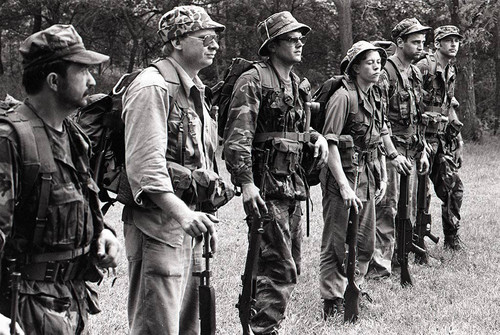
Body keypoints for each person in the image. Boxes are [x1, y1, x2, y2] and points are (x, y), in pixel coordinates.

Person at [0, 24, 120, 334]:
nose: (92, 80)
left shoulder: (74, 135)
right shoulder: (10, 139)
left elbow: (77, 198)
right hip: (24, 307)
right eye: (82, 71)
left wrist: (101, 232)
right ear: (54, 80)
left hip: (70, 301)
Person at [121, 5, 226, 335]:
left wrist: (201, 211)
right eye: (205, 37)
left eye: (215, 38)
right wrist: (183, 215)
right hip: (158, 226)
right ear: (178, 41)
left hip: (187, 224)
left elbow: (202, 162)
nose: (215, 45)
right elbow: (145, 167)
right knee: (157, 328)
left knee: (187, 328)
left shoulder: (194, 89)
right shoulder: (152, 87)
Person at [223, 11, 328, 335]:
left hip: (293, 188)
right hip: (267, 190)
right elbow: (236, 139)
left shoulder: (298, 85)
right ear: (272, 45)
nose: (299, 43)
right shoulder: (254, 80)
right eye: (291, 38)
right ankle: (264, 328)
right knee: (279, 266)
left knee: (288, 264)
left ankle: (259, 319)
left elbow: (296, 131)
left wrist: (317, 137)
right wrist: (246, 184)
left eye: (301, 38)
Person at [319, 41, 392, 317]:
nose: (376, 66)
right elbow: (331, 144)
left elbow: (376, 140)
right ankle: (332, 299)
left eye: (378, 61)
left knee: (365, 242)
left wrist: (383, 173)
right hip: (345, 178)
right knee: (337, 242)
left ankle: (355, 288)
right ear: (356, 67)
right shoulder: (343, 98)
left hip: (369, 175)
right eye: (369, 62)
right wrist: (343, 185)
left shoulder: (375, 95)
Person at [368, 18, 430, 279]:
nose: (420, 47)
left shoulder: (415, 73)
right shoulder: (386, 74)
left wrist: (423, 149)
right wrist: (391, 154)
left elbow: (418, 116)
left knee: (407, 207)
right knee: (388, 207)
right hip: (390, 150)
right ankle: (379, 268)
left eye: (422, 42)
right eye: (415, 42)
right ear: (399, 43)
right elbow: (378, 119)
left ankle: (398, 257)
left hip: (411, 148)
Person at [415, 25, 465, 252]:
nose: (454, 44)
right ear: (437, 44)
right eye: (448, 40)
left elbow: (450, 105)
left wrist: (459, 140)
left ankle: (452, 239)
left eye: (456, 40)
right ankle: (415, 243)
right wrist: (419, 140)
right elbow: (411, 106)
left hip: (443, 138)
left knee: (453, 187)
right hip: (423, 138)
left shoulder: (450, 70)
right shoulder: (424, 67)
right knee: (420, 194)